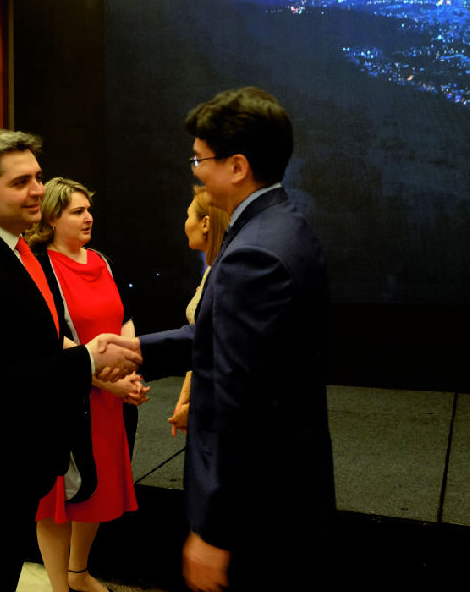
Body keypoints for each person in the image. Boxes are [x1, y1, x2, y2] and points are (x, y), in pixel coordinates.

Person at [0, 129, 142, 592]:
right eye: (21, 182)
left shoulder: (18, 250)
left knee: (1, 570)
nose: (38, 190)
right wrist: (88, 360)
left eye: (39, 178)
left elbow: (36, 344)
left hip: (18, 456)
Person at [139, 88, 335, 592]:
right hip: (284, 494)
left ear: (238, 166)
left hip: (257, 513)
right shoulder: (282, 226)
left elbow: (241, 404)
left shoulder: (254, 255)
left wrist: (212, 529)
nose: (196, 172)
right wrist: (139, 351)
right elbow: (226, 339)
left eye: (199, 160)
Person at [26, 177, 148, 592]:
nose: (88, 217)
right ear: (51, 218)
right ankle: (59, 587)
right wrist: (104, 380)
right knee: (57, 501)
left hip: (110, 398)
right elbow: (47, 337)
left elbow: (125, 316)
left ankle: (79, 573)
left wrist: (129, 367)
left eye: (88, 209)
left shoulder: (101, 260)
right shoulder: (38, 265)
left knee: (97, 494)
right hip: (68, 397)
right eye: (77, 211)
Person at [167, 186, 229, 437]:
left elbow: (225, 354)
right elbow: (199, 347)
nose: (185, 224)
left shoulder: (227, 274)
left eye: (188, 215)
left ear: (205, 223)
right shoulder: (212, 270)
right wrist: (185, 398)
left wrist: (198, 408)